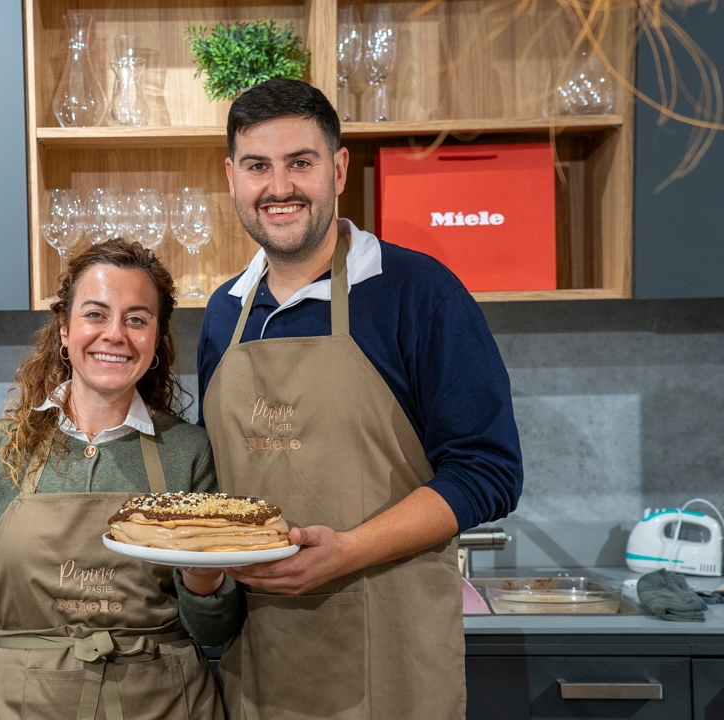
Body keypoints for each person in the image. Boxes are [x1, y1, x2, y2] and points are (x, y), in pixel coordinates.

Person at [186, 79, 524, 720]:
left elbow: (488, 470)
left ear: (338, 169)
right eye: (258, 166)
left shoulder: (416, 292)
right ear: (232, 178)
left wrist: (346, 551)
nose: (278, 187)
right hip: (261, 667)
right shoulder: (223, 312)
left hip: (392, 666)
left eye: (301, 163)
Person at [0, 238, 236, 720]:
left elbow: (215, 632)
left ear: (156, 339)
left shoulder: (187, 451)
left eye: (136, 319)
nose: (115, 334)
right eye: (96, 314)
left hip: (168, 703)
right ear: (64, 330)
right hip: (27, 706)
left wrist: (204, 583)